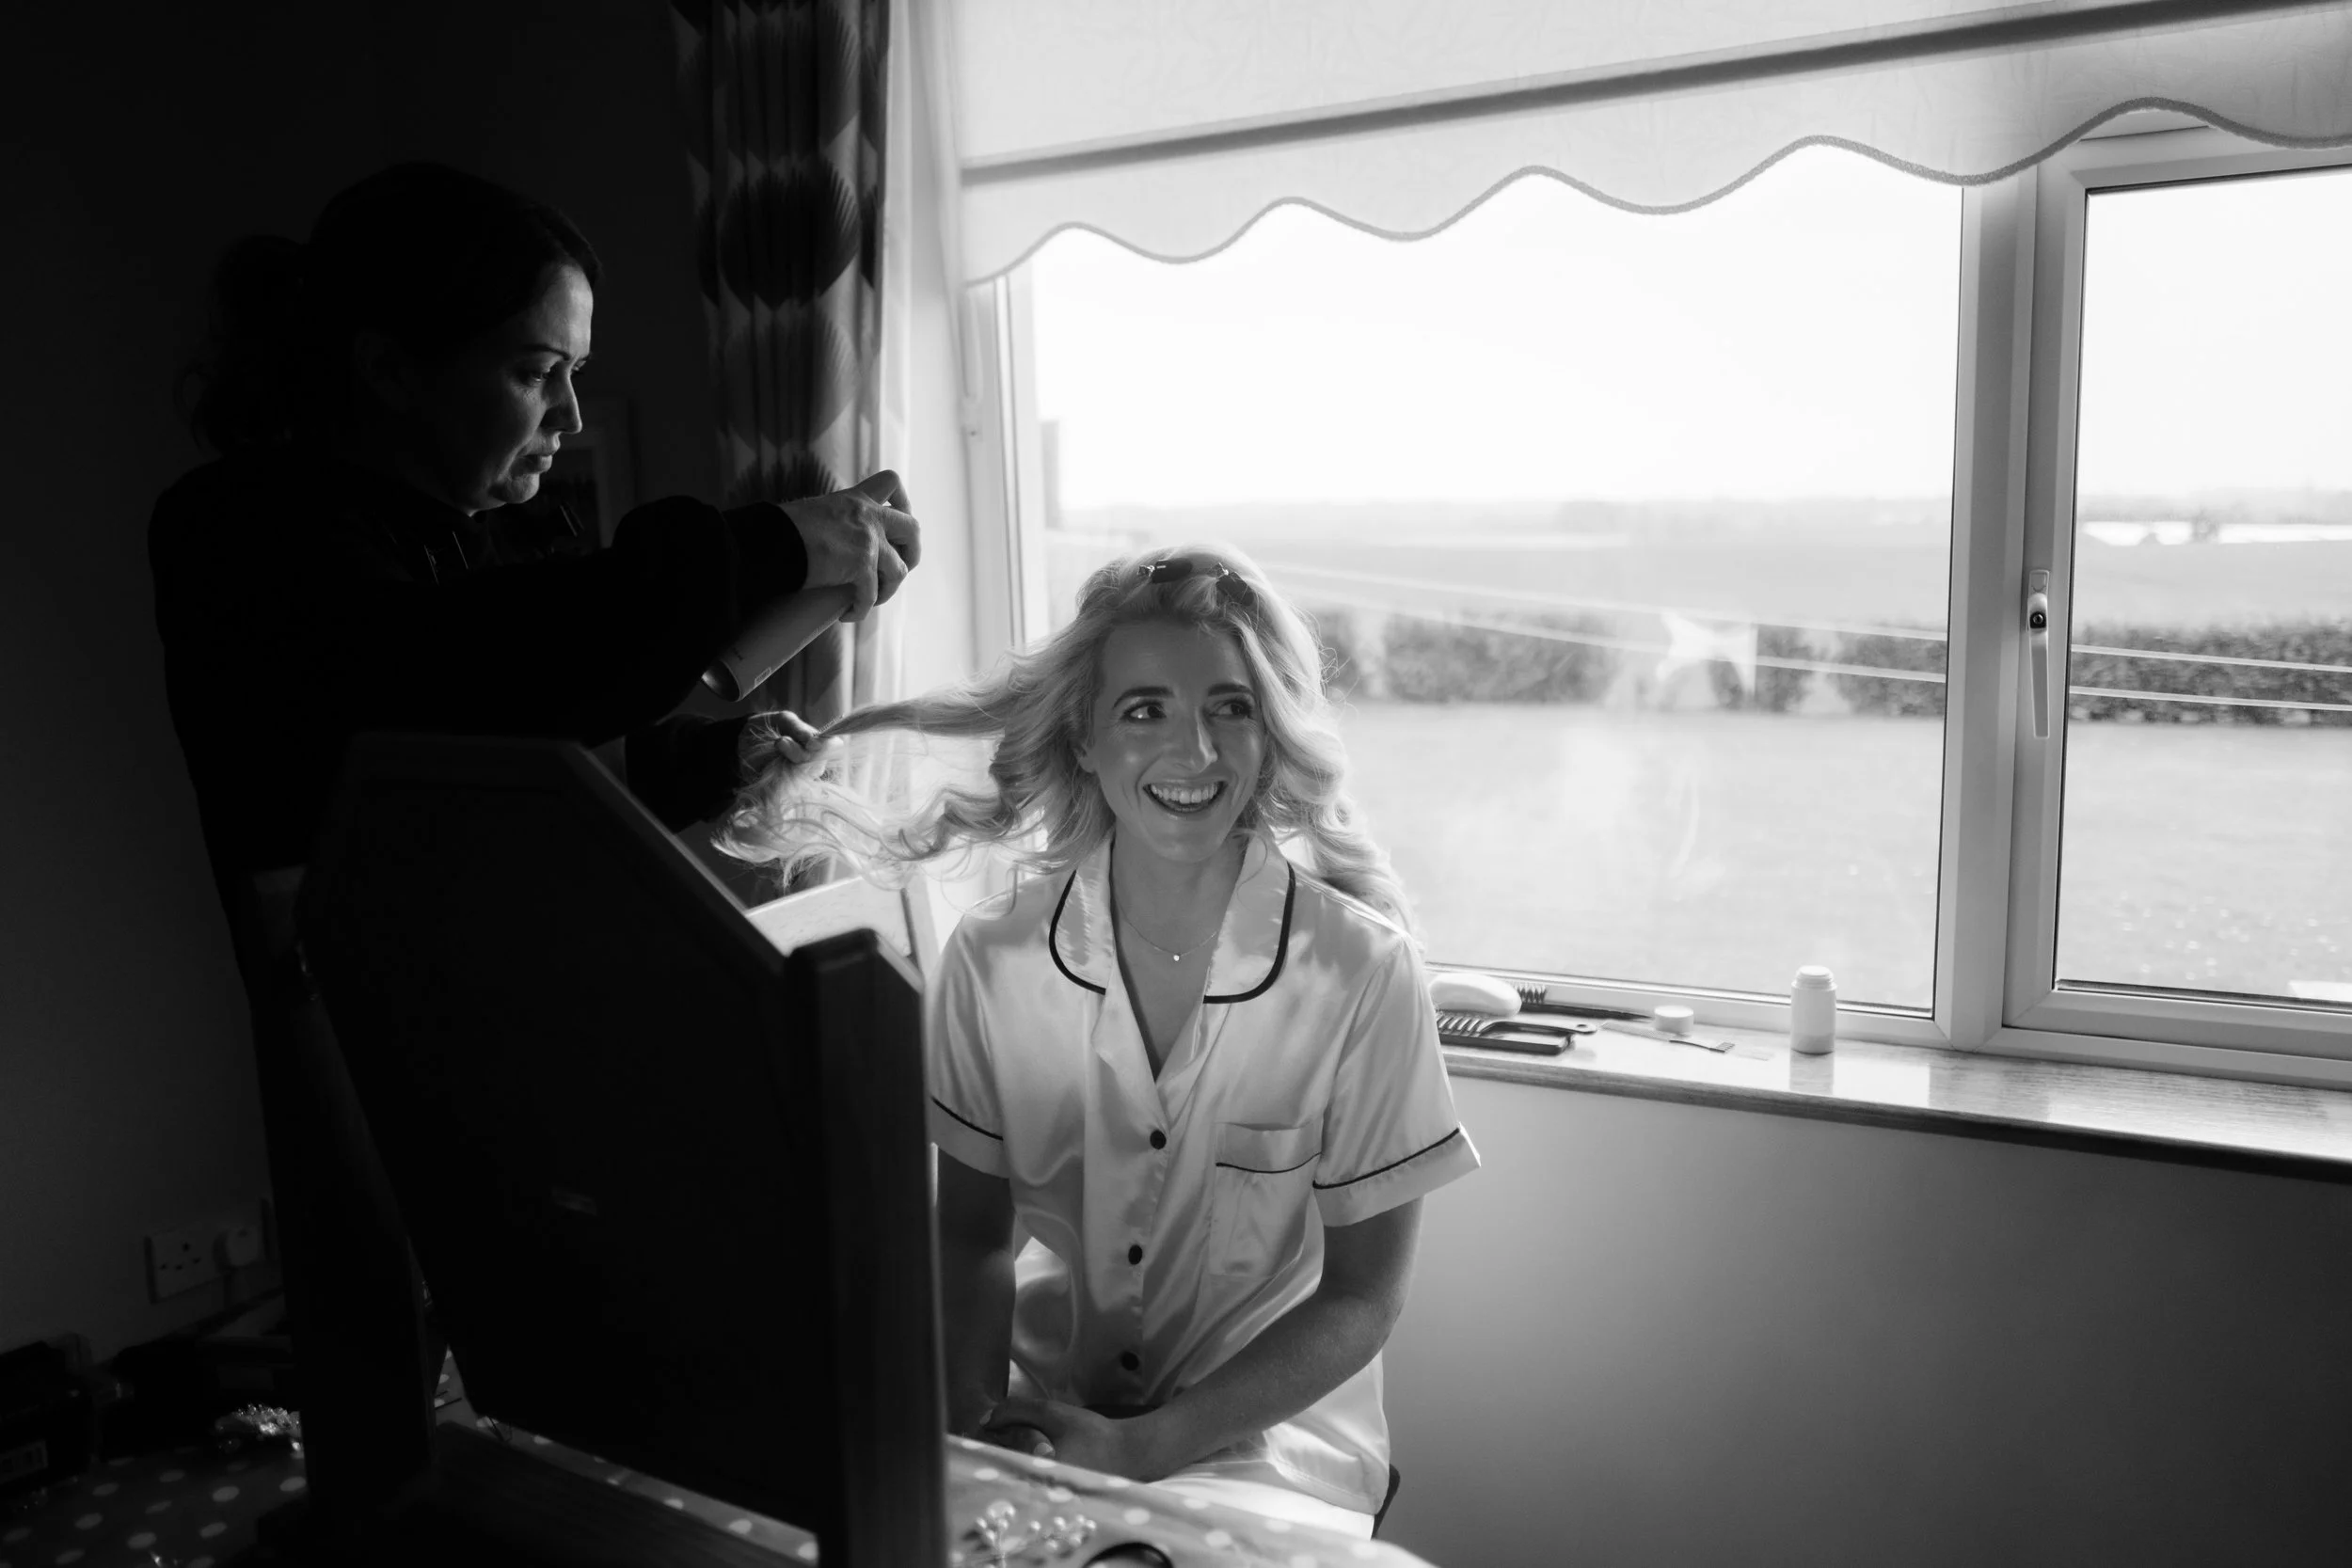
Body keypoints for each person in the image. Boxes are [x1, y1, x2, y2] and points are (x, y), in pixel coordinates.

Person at [720, 546, 1480, 1537]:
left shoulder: (1363, 971)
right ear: (1084, 737)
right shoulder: (994, 957)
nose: (1194, 750)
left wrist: (1147, 1445)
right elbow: (971, 1235)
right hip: (1044, 1416)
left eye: (1230, 707)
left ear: (1272, 731)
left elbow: (1362, 1298)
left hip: (1264, 1447)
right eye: (1145, 708)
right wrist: (968, 1432)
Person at [152, 161, 918, 929]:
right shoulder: (239, 533)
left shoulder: (473, 539)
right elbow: (449, 682)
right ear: (390, 368)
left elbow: (528, 763)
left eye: (575, 372)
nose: (572, 415)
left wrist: (712, 760)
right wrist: (781, 543)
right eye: (536, 372)